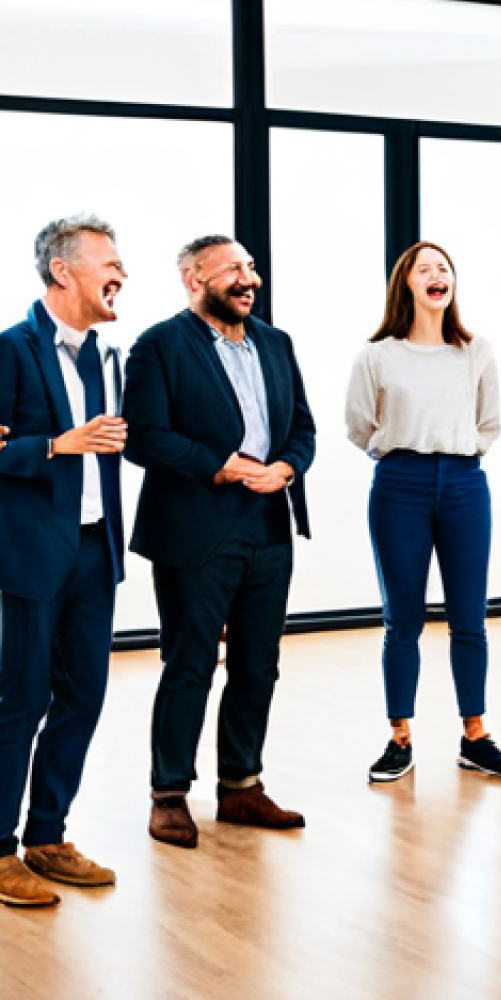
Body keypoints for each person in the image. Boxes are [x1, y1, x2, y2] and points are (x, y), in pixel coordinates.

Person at [123, 235, 315, 849]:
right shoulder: (159, 345)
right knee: (191, 664)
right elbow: (143, 438)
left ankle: (241, 787)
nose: (248, 278)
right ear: (194, 278)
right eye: (233, 268)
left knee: (259, 664)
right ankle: (169, 794)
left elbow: (303, 428)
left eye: (250, 267)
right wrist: (221, 465)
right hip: (195, 527)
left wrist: (286, 468)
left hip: (268, 523)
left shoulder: (276, 343)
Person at [346, 241, 501, 783]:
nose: (437, 275)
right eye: (425, 269)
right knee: (403, 620)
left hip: (465, 483)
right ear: (407, 284)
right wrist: (401, 450)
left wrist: (459, 451)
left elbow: (490, 423)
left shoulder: (475, 350)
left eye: (444, 268)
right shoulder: (377, 354)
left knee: (470, 618)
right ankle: (399, 738)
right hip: (399, 484)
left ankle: (475, 735)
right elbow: (357, 424)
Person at [0, 216, 127, 907]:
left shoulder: (102, 355)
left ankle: (47, 836)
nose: (122, 274)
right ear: (63, 271)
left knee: (83, 696)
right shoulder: (11, 349)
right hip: (32, 553)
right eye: (109, 262)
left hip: (94, 548)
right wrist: (53, 445)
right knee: (21, 701)